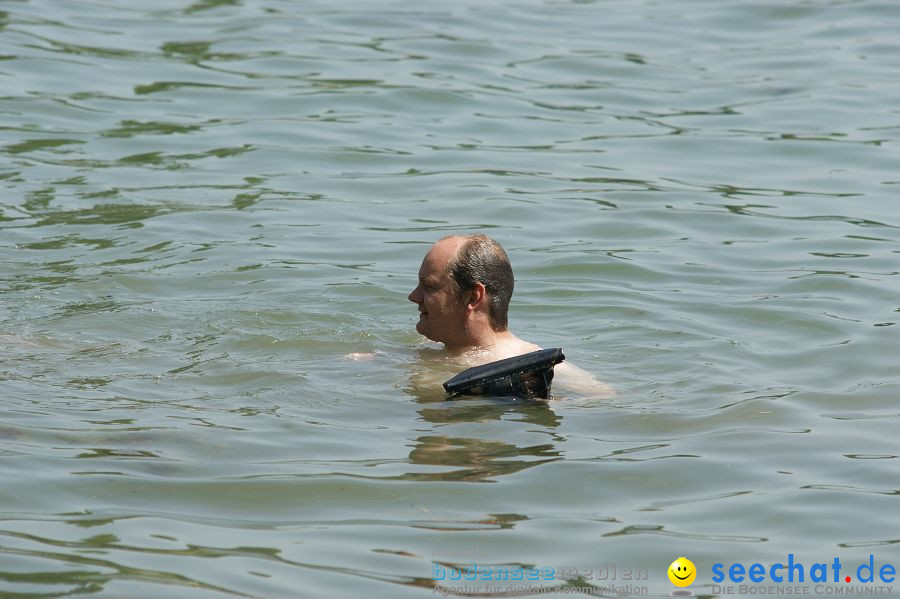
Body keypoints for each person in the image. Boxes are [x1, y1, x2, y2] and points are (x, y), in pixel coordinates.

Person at [408, 234, 614, 397]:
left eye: (429, 286)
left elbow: (604, 398)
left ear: (473, 297)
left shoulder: (530, 367)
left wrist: (542, 403)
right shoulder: (428, 350)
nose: (413, 296)